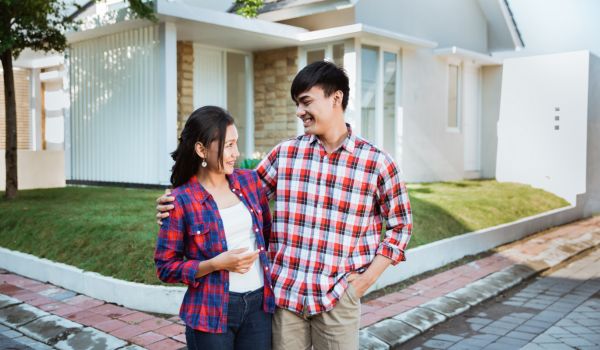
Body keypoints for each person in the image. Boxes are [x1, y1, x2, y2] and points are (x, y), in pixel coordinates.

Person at [157, 61, 412, 349]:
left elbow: (401, 225)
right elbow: (236, 191)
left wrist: (365, 281)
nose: (299, 112)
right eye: (296, 104)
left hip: (338, 297)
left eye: (306, 102)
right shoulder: (287, 153)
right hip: (285, 298)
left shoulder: (377, 162)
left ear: (336, 98)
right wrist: (177, 201)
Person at [154, 106, 274, 350]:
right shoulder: (181, 201)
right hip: (210, 312)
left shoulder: (249, 182)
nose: (236, 153)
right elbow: (165, 267)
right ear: (201, 149)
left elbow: (267, 231)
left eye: (236, 143)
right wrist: (216, 264)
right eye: (228, 145)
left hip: (259, 307)